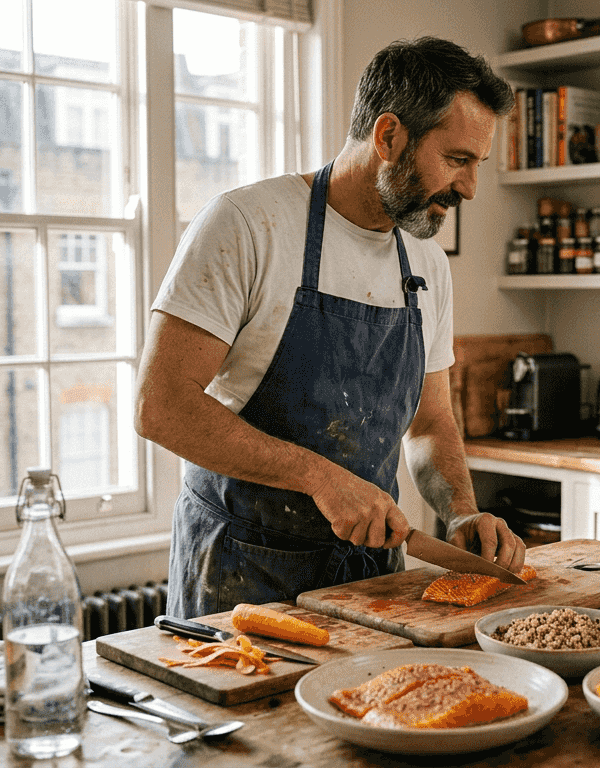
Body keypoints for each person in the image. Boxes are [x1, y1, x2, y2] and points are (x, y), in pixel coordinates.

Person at [135, 37, 524, 619]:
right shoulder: (247, 226)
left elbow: (431, 422)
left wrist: (460, 509)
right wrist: (319, 477)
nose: (469, 187)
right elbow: (160, 405)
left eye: (477, 165)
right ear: (389, 137)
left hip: (370, 579)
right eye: (457, 160)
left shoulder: (427, 265)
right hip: (242, 573)